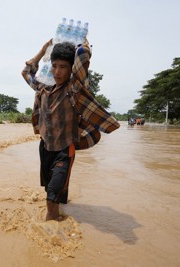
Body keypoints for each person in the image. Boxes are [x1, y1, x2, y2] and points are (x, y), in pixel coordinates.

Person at [21, 39, 119, 221]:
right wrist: (43, 50)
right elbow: (26, 72)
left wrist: (83, 43)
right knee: (52, 186)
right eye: (54, 66)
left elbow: (82, 56)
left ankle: (51, 225)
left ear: (71, 68)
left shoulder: (73, 88)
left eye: (63, 67)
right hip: (45, 147)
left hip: (65, 149)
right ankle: (62, 205)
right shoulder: (43, 87)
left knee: (52, 192)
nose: (57, 72)